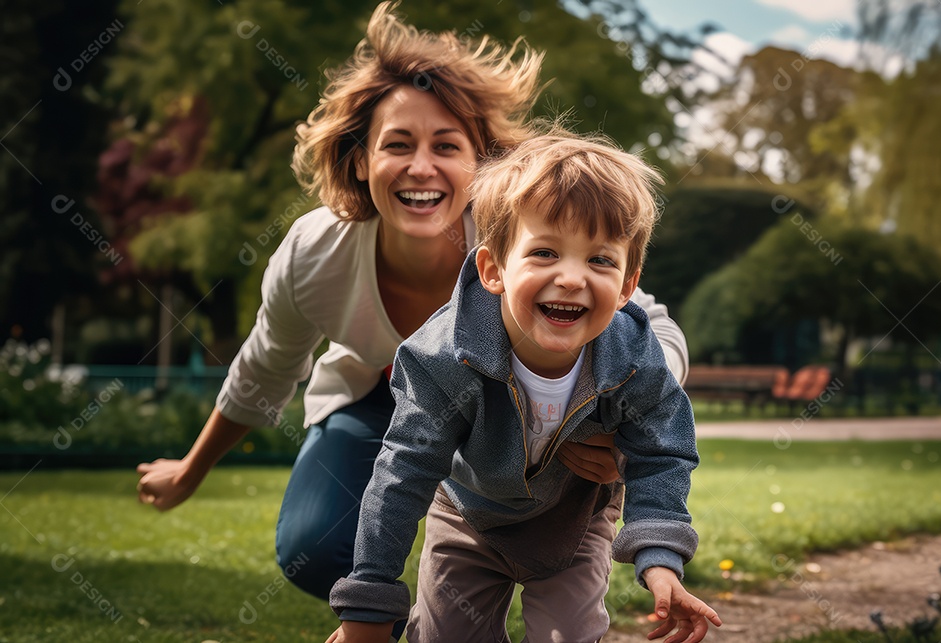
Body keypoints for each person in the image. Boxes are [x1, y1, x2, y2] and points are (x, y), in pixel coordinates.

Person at [134, 0, 689, 605]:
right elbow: (263, 371)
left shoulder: (519, 238)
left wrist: (623, 411)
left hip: (514, 410)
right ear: (361, 159)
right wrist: (188, 471)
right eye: (397, 144)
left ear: (482, 163)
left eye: (447, 147)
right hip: (374, 399)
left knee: (550, 555)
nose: (421, 168)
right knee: (313, 550)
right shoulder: (315, 252)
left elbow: (649, 327)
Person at [327, 132, 721, 643]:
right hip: (469, 514)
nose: (573, 278)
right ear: (494, 269)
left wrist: (660, 560)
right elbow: (403, 470)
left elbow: (662, 452)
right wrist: (370, 599)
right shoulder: (445, 355)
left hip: (574, 519)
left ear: (628, 286)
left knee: (571, 634)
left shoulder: (633, 357)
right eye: (545, 252)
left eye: (600, 260)